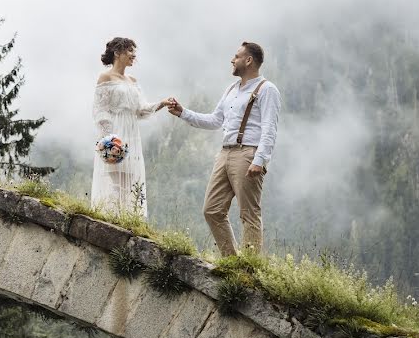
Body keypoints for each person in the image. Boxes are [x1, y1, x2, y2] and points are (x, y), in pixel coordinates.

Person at [165, 41, 281, 256]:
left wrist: (260, 159)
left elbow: (269, 128)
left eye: (236, 56)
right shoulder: (231, 89)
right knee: (212, 210)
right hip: (225, 152)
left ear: (249, 60)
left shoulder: (267, 89)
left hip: (248, 153)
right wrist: (183, 112)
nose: (232, 60)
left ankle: (247, 270)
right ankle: (231, 260)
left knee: (249, 214)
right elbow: (214, 120)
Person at [92, 37, 168, 217]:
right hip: (115, 134)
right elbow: (100, 111)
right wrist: (109, 140)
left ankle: (129, 218)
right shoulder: (105, 77)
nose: (134, 55)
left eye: (134, 51)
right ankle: (114, 218)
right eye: (130, 51)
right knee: (117, 181)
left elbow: (141, 110)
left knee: (130, 181)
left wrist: (162, 103)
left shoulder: (132, 80)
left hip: (132, 134)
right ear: (117, 53)